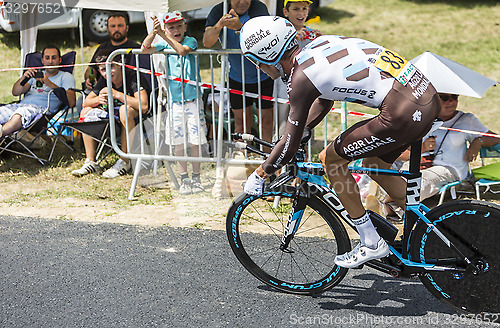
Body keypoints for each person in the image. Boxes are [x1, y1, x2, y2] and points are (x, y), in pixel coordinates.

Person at [239, 16, 441, 268]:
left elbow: (289, 144)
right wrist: (300, 131)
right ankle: (436, 231)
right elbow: (325, 100)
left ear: (268, 58)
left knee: (331, 160)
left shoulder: (300, 78)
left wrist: (260, 174)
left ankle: (371, 242)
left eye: (257, 63)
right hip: (427, 97)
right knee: (372, 163)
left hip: (402, 112)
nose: (260, 69)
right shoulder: (318, 45)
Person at [141, 11, 208, 195]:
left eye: (179, 26)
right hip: (175, 102)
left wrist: (163, 34)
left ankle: (196, 177)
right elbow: (144, 49)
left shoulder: (191, 40)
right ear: (166, 29)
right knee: (179, 141)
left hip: (193, 100)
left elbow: (181, 50)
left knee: (195, 141)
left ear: (185, 26)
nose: (176, 30)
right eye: (171, 27)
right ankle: (184, 177)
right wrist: (154, 33)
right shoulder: (163, 41)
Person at [203, 0, 274, 146]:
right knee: (241, 122)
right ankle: (243, 158)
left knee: (266, 122)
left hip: (263, 76)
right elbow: (207, 42)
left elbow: (263, 37)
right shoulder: (219, 10)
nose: (242, 2)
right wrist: (220, 24)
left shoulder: (258, 7)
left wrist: (240, 27)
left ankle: (269, 162)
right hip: (237, 77)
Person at [71, 49, 149, 178]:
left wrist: (117, 95)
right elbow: (86, 103)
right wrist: (98, 100)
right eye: (102, 69)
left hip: (135, 119)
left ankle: (125, 160)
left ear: (119, 64)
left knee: (125, 110)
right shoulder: (104, 79)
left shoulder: (132, 76)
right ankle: (91, 162)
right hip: (111, 119)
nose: (107, 72)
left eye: (111, 66)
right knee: (85, 111)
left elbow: (144, 105)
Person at [0, 45, 75, 138]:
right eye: (47, 58)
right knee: (2, 111)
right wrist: (24, 78)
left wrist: (50, 83)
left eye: (54, 58)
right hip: (20, 105)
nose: (50, 61)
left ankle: (2, 133)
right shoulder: (36, 74)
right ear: (42, 61)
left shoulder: (66, 77)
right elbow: (15, 92)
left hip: (41, 111)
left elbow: (72, 102)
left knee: (20, 114)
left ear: (60, 60)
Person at [277, 0, 322, 135]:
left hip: (306, 87)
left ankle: (304, 152)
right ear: (286, 12)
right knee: (283, 126)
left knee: (305, 124)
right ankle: (281, 151)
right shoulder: (280, 32)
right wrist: (291, 38)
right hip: (284, 88)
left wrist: (321, 42)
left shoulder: (311, 34)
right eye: (296, 9)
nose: (301, 13)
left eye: (304, 9)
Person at [83, 12, 141, 91]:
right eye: (113, 26)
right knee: (80, 102)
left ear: (127, 28)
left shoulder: (136, 49)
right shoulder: (102, 48)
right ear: (107, 29)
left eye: (120, 26)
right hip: (103, 90)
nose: (116, 29)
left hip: (130, 90)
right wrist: (89, 79)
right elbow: (91, 69)